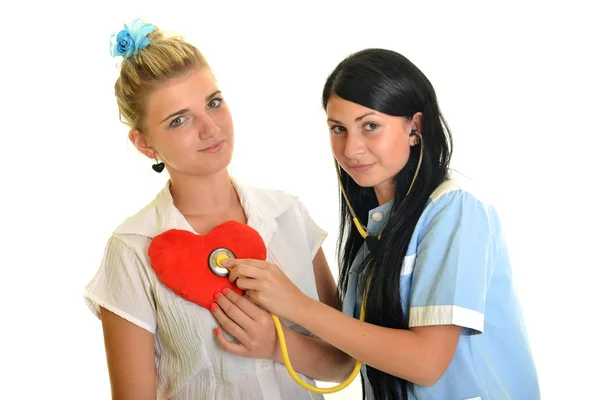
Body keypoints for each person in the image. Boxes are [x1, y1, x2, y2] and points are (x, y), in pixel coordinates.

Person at [217, 48, 540, 400]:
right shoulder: (372, 236)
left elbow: (426, 364)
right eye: (338, 128)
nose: (351, 148)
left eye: (370, 126)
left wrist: (295, 305)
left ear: (414, 128)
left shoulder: (456, 209)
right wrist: (274, 344)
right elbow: (347, 360)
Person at [83, 19, 349, 400]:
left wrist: (278, 344)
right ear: (144, 145)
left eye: (213, 103)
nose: (211, 128)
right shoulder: (132, 250)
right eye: (179, 120)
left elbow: (344, 360)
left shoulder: (288, 215)